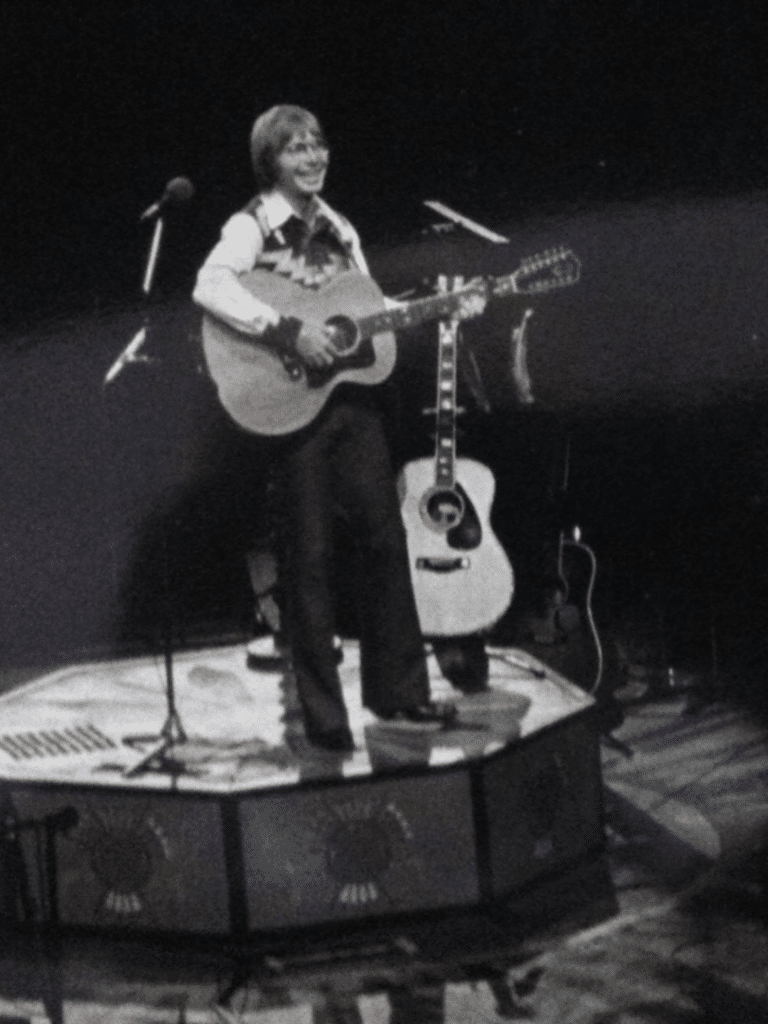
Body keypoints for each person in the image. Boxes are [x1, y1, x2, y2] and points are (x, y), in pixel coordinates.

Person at [193, 105, 483, 752]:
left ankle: (402, 696)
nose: (313, 158)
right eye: (297, 149)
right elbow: (209, 286)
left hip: (352, 407)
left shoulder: (340, 226)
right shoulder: (251, 225)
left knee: (385, 541)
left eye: (319, 146)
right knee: (311, 561)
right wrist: (290, 329)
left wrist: (442, 308)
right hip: (293, 404)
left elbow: (368, 309)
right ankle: (325, 719)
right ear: (272, 160)